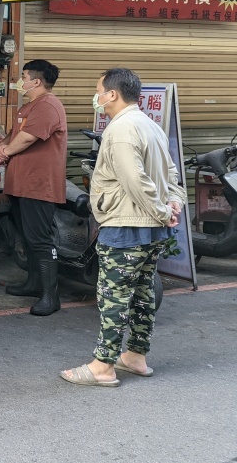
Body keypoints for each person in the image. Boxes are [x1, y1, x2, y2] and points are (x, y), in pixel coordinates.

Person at [60, 68, 184, 387]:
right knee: (142, 294)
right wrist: (173, 205)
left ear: (112, 94)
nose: (97, 97)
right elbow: (171, 173)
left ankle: (103, 366)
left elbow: (134, 180)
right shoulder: (149, 125)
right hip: (149, 227)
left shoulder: (122, 128)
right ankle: (136, 357)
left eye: (98, 90)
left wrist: (161, 209)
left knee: (113, 296)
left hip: (127, 224)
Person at [0, 59, 68, 316]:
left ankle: (51, 296)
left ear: (36, 81)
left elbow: (26, 138)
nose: (20, 81)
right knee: (27, 237)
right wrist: (3, 145)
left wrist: (5, 151)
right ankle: (34, 283)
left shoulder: (48, 105)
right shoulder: (30, 106)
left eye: (24, 76)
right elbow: (15, 134)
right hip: (21, 184)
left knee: (40, 239)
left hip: (39, 185)